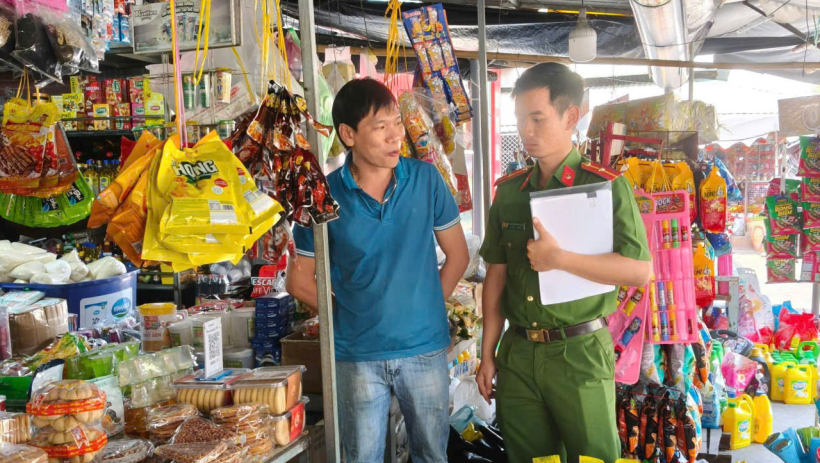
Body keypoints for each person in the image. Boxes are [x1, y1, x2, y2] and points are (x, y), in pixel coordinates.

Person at [286, 78, 469, 463]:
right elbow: (298, 281)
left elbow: (458, 256)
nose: (395, 136)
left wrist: (425, 309)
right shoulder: (323, 196)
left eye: (397, 123)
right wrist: (346, 316)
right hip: (357, 356)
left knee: (432, 455)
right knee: (362, 457)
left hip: (424, 350)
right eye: (380, 126)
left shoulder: (426, 180)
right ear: (348, 134)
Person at [475, 63, 652, 462]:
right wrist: (488, 353)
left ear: (571, 116)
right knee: (530, 458)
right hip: (518, 352)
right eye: (520, 118)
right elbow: (496, 277)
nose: (526, 130)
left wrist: (560, 259)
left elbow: (639, 271)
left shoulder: (604, 186)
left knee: (593, 457)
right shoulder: (510, 192)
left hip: (580, 351)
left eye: (538, 118)